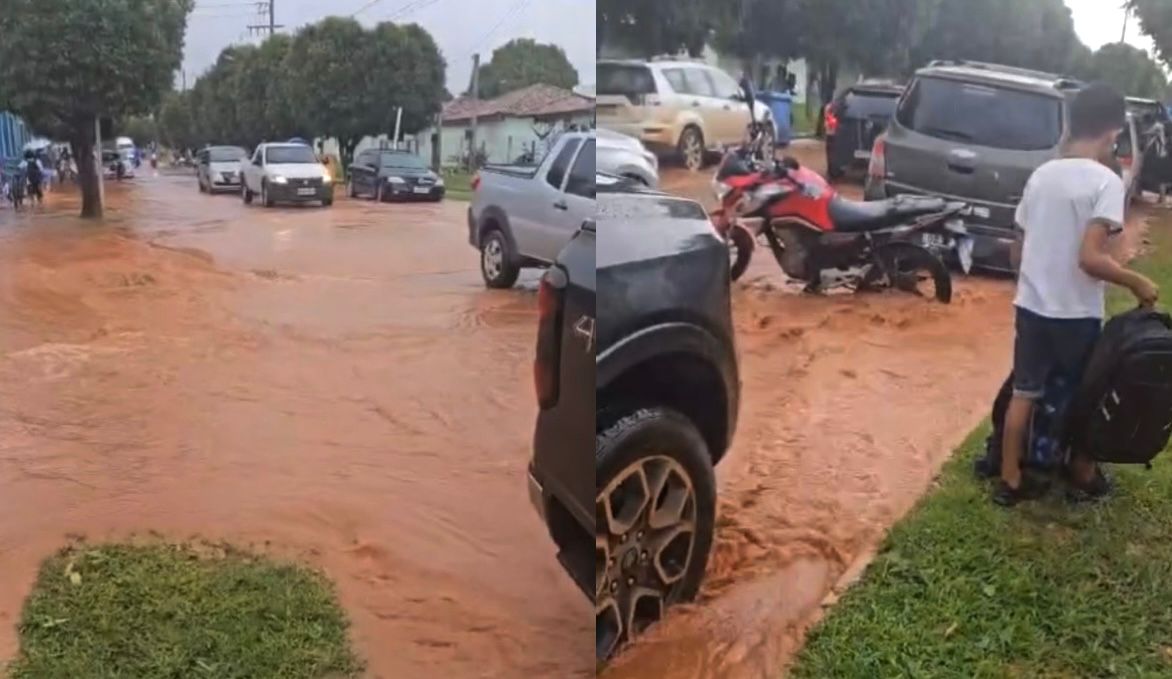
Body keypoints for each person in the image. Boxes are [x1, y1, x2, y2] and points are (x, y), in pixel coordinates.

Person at [996, 82, 1160, 507]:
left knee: (1025, 392)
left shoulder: (1041, 175)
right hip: (1075, 314)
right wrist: (1136, 282)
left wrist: (1033, 282)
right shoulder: (1105, 181)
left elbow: (1018, 248)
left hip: (1031, 308)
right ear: (1111, 133)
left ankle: (1010, 479)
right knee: (1083, 393)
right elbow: (1089, 258)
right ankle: (1079, 471)